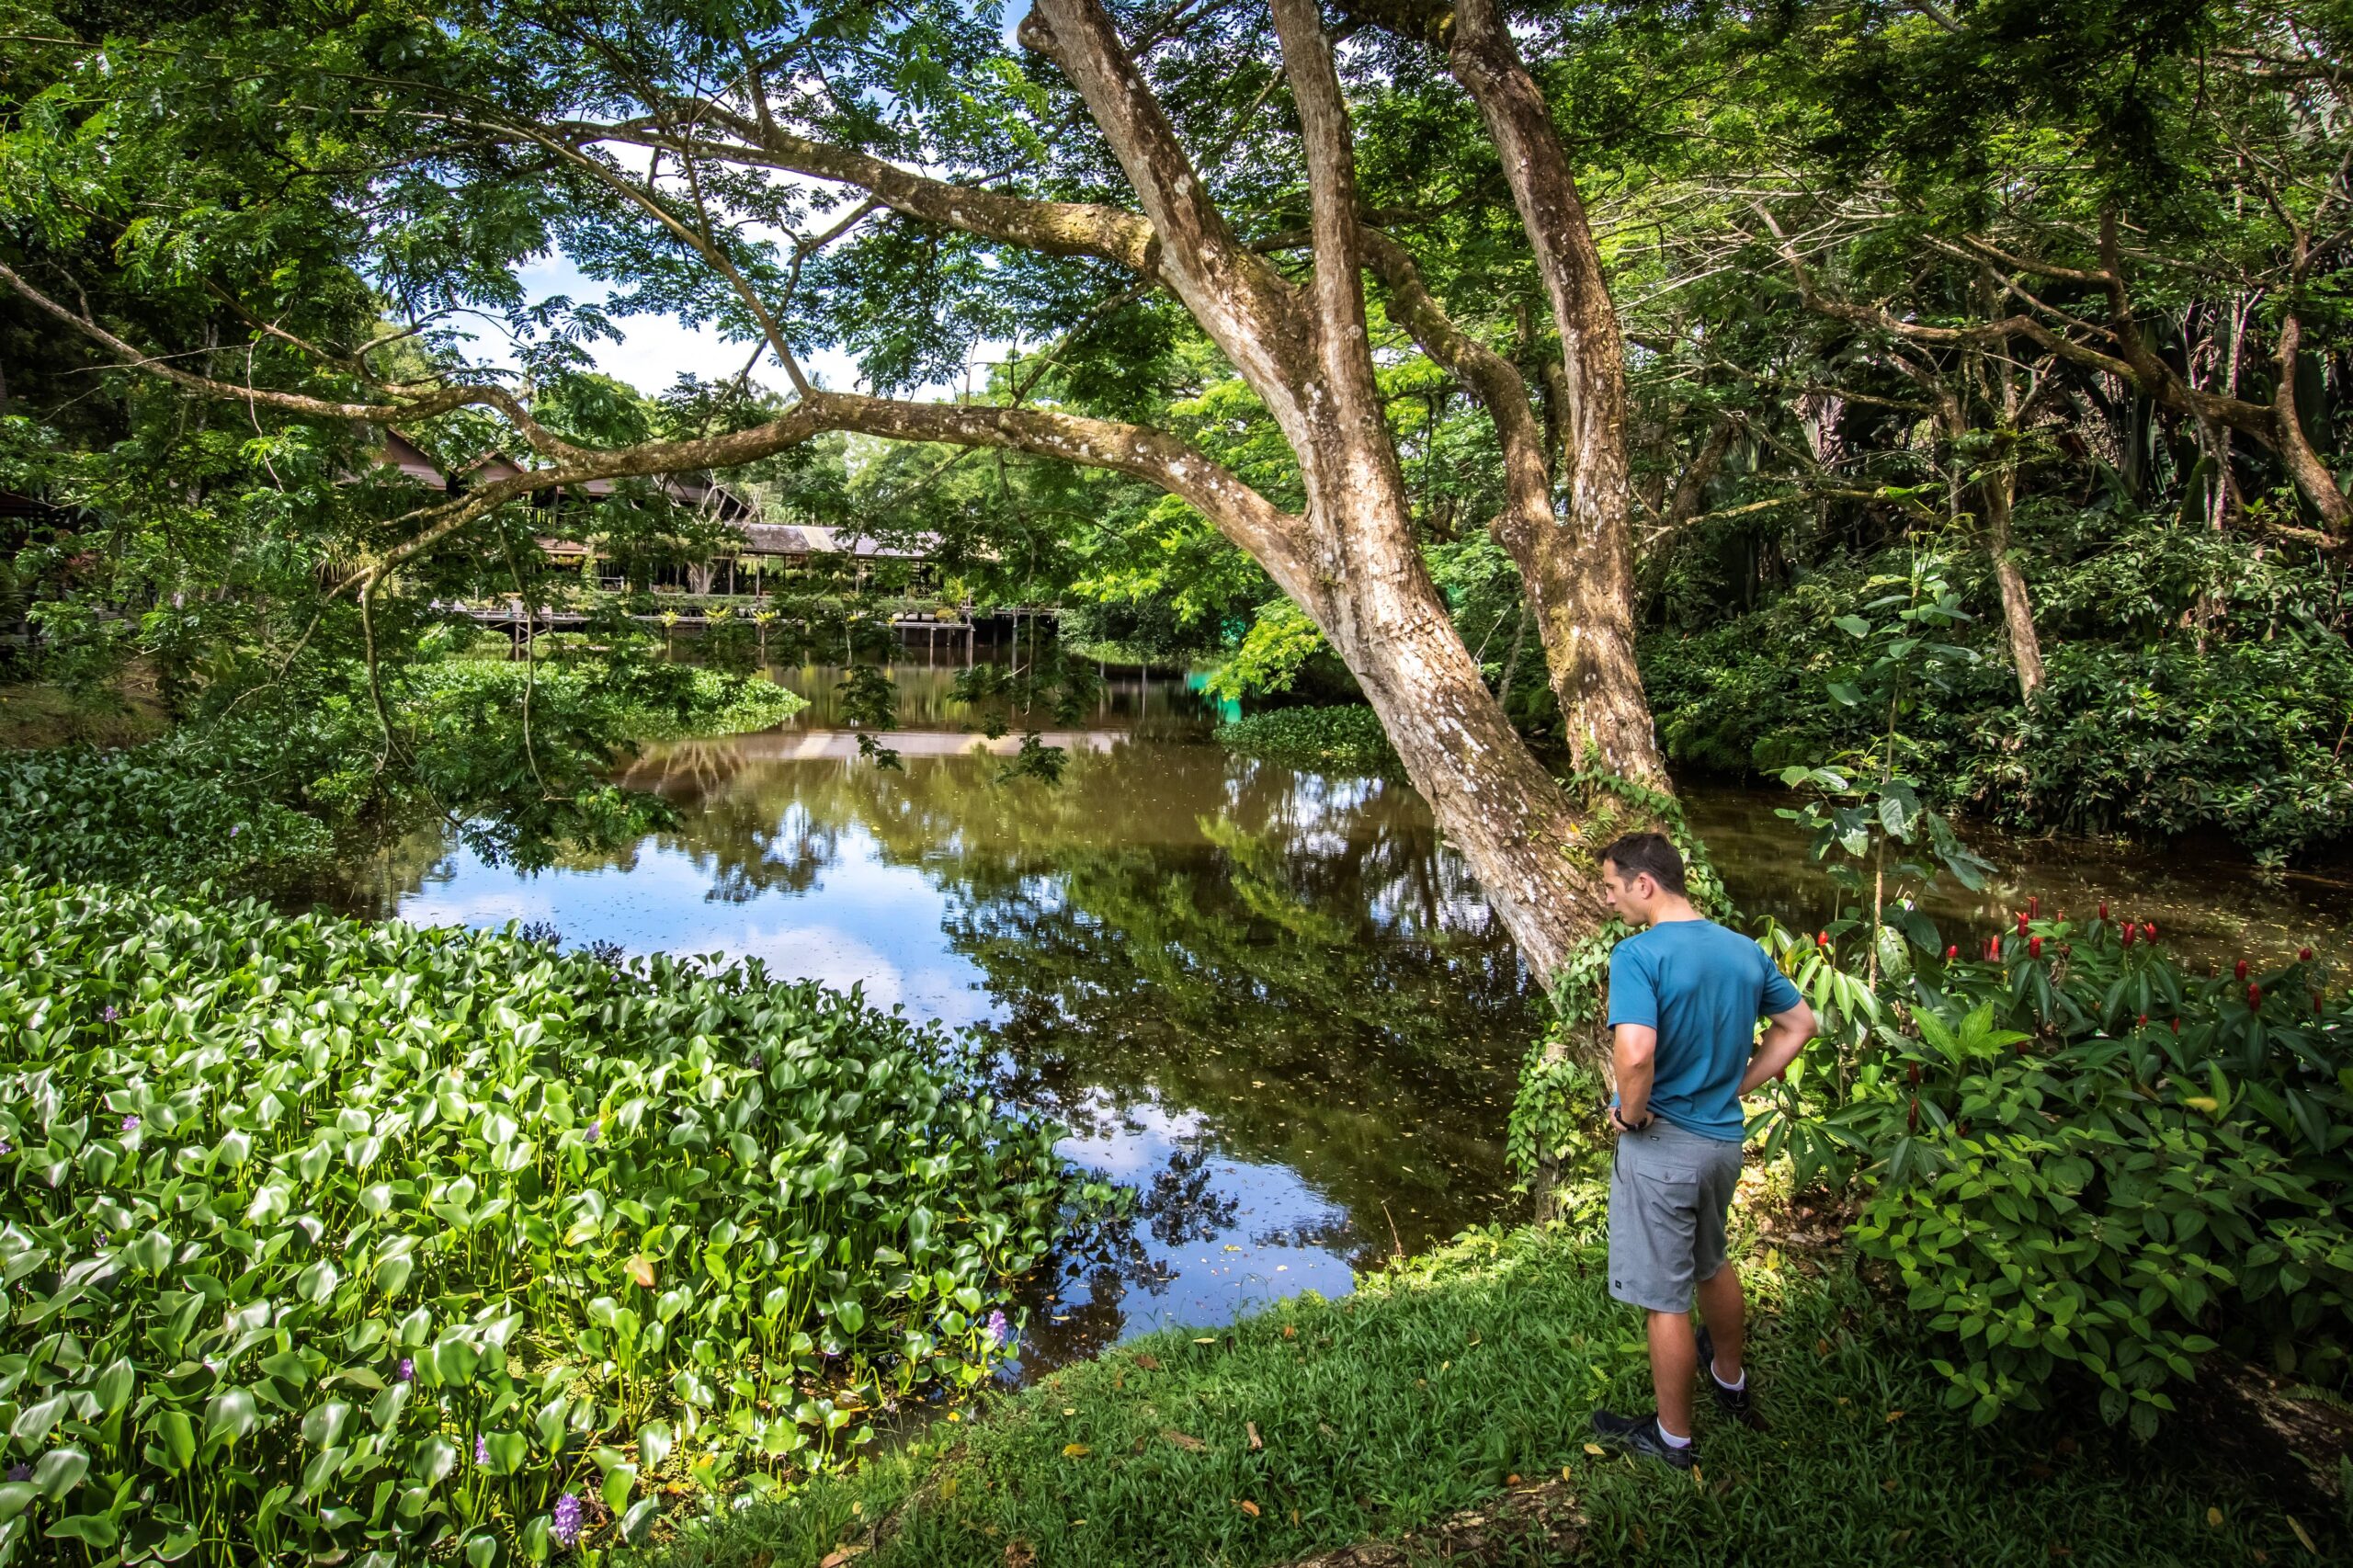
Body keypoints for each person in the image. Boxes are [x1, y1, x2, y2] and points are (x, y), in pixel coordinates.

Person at [1586, 831, 1815, 1471]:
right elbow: (1801, 1024)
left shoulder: (1639, 955)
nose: (1609, 900)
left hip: (1664, 1149)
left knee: (1666, 1298)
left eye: (1611, 886)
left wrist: (1629, 1117)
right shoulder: (1744, 950)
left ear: (1645, 884)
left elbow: (1634, 1054)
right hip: (1722, 1142)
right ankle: (1731, 1381)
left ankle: (1674, 1440)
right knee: (1712, 1260)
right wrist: (1737, 1083)